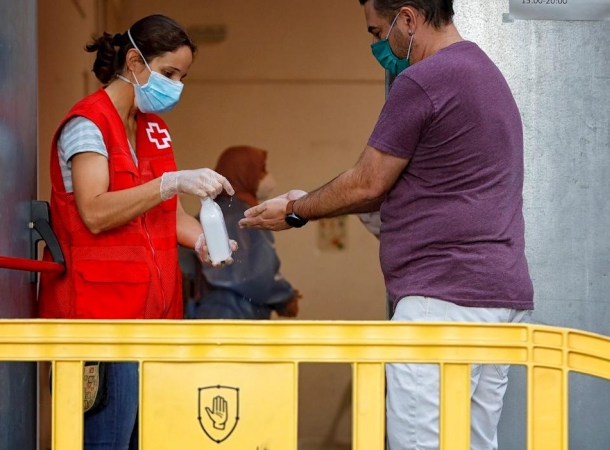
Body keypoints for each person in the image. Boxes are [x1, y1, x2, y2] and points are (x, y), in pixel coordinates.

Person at [239, 1, 534, 449]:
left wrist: (298, 210)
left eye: (378, 31)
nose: (378, 45)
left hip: (442, 302)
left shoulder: (423, 79)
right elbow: (439, 190)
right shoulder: (486, 74)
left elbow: (367, 182)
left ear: (409, 19)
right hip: (497, 297)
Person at [37, 14, 236, 450]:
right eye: (168, 73)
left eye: (182, 77)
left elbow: (168, 216)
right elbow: (94, 212)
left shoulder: (153, 129)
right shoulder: (87, 125)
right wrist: (168, 183)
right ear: (134, 61)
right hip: (100, 325)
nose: (176, 86)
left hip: (153, 322)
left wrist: (200, 238)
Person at [188, 146, 301, 320]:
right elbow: (260, 272)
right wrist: (285, 297)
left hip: (205, 312)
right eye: (262, 170)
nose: (266, 177)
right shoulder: (245, 216)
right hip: (239, 316)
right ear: (244, 172)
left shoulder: (209, 213)